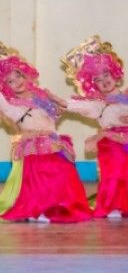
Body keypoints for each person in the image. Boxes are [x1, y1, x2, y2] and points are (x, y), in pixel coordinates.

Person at [61, 35, 128, 218]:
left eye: (106, 74)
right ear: (91, 84)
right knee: (117, 165)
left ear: (115, 74)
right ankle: (115, 204)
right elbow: (73, 104)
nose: (104, 81)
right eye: (97, 79)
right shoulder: (97, 103)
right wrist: (55, 101)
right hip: (114, 142)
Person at [0, 41, 92, 223]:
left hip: (53, 142)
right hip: (34, 147)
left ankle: (58, 206)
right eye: (9, 81)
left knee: (65, 173)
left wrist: (56, 101)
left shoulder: (41, 95)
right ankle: (40, 209)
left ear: (26, 75)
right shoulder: (12, 105)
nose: (16, 82)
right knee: (40, 179)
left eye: (18, 77)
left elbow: (57, 113)